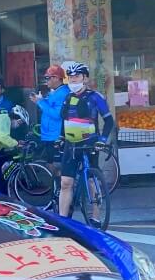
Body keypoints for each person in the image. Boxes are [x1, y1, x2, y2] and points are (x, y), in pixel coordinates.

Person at [57, 61, 115, 219]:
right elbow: (65, 120)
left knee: (91, 180)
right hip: (71, 144)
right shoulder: (68, 98)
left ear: (85, 78)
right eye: (70, 77)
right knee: (65, 183)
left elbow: (109, 121)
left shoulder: (95, 97)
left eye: (77, 76)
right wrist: (61, 137)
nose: (73, 80)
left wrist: (102, 140)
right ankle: (63, 219)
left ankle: (95, 216)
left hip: (90, 143)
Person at [33, 64, 68, 160]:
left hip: (55, 136)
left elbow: (57, 115)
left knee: (54, 165)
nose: (46, 81)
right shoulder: (55, 92)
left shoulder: (63, 93)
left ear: (56, 78)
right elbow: (49, 106)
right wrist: (41, 100)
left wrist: (40, 102)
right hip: (50, 135)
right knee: (49, 163)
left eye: (47, 78)